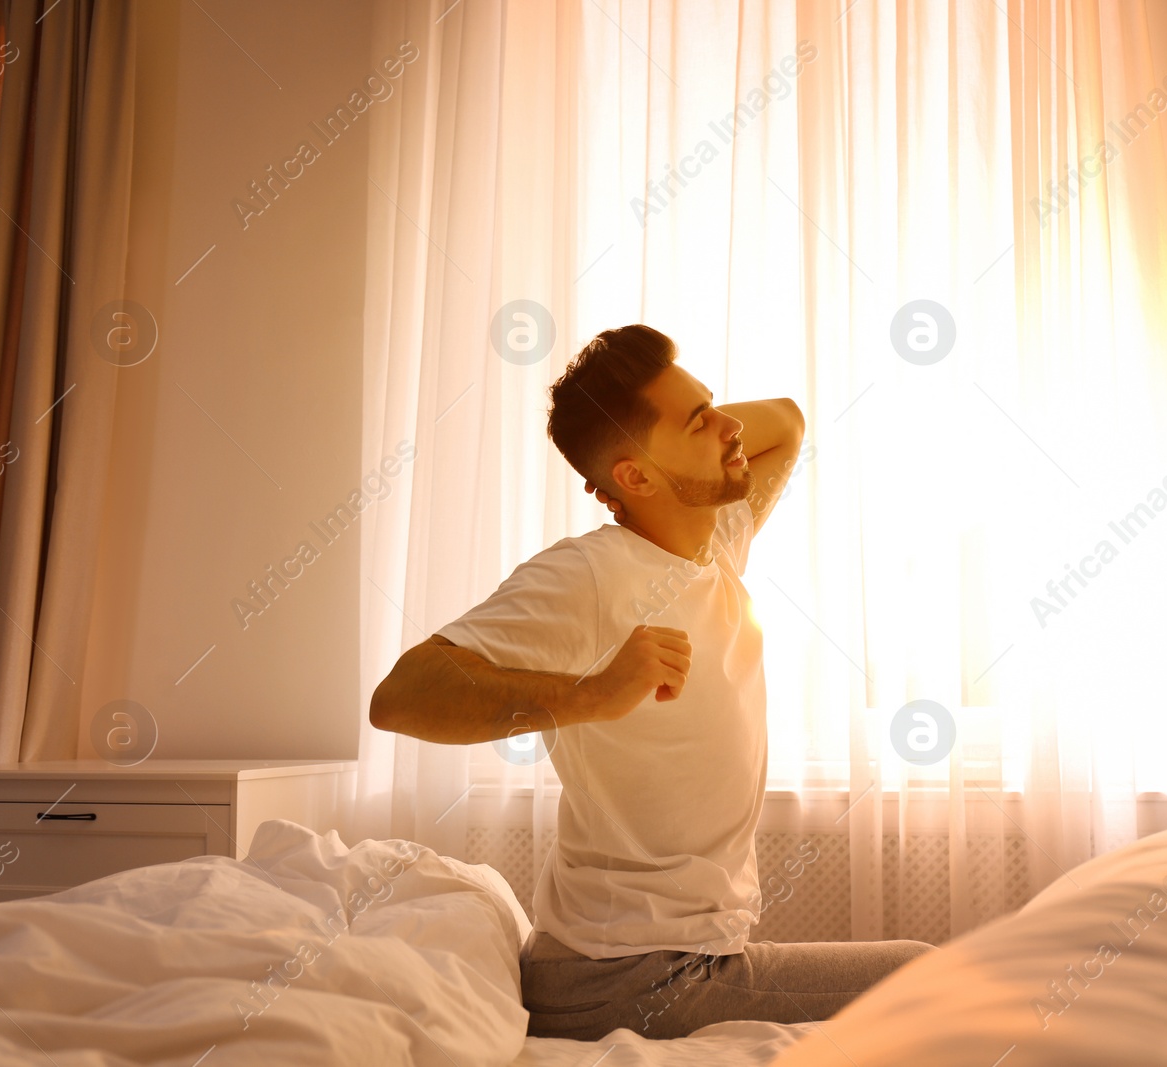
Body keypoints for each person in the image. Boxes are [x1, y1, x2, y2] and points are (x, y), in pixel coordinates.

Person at [369, 323, 933, 1039]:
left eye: (714, 405)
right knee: (934, 977)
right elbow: (402, 696)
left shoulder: (716, 542)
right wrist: (590, 696)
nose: (730, 426)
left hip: (673, 958)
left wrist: (692, 430)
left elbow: (785, 422)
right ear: (634, 476)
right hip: (623, 973)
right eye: (700, 420)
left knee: (939, 981)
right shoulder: (590, 574)